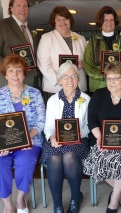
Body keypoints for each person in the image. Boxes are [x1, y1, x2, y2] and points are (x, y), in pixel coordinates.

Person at [0, 54, 45, 213]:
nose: (15, 75)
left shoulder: (35, 94)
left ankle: (20, 199)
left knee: (26, 161)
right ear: (5, 74)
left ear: (24, 73)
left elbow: (41, 121)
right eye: (11, 71)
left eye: (19, 70)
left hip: (29, 140)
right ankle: (8, 204)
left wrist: (27, 138)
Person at [83, 61, 121, 213]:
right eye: (108, 78)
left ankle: (113, 201)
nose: (111, 82)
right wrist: (99, 137)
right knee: (98, 161)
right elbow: (91, 119)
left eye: (115, 78)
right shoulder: (99, 95)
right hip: (102, 140)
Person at [40, 62, 90, 213]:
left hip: (79, 140)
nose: (70, 80)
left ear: (78, 79)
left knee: (69, 156)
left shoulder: (86, 99)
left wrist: (79, 134)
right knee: (54, 158)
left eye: (74, 76)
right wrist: (51, 138)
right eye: (65, 77)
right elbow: (48, 126)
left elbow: (89, 125)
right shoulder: (52, 100)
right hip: (56, 140)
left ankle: (75, 198)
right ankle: (57, 205)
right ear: (59, 80)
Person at [0, 0, 40, 90]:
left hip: (34, 81)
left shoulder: (32, 30)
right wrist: (9, 71)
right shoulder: (0, 25)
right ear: (11, 8)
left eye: (25, 6)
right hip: (11, 83)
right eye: (18, 5)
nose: (22, 9)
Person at [37, 6, 87, 103]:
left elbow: (86, 59)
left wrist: (83, 63)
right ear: (54, 22)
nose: (62, 22)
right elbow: (43, 63)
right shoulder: (47, 38)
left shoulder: (81, 38)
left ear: (70, 20)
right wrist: (59, 81)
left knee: (79, 116)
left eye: (65, 19)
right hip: (55, 88)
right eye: (58, 19)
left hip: (78, 86)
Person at [84, 6, 121, 93]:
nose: (109, 22)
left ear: (115, 22)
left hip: (120, 87)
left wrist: (118, 76)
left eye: (111, 19)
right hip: (98, 87)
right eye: (105, 20)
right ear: (100, 22)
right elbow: (87, 66)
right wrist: (106, 77)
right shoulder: (92, 42)